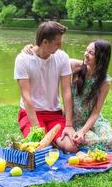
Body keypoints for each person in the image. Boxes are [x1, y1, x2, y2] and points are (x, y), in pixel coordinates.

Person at [14, 21, 78, 152]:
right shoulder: (22, 59)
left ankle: (55, 142)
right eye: (58, 43)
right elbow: (26, 97)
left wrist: (69, 124)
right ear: (45, 42)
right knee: (41, 150)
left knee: (72, 147)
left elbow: (66, 91)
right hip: (31, 114)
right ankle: (51, 143)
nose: (61, 45)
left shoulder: (62, 57)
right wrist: (37, 129)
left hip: (54, 114)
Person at [70, 39, 112, 150]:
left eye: (91, 53)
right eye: (86, 50)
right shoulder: (75, 67)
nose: (86, 54)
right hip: (77, 120)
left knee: (111, 142)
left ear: (101, 58)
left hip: (93, 120)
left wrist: (83, 131)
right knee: (94, 142)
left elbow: (96, 112)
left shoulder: (105, 81)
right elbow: (53, 58)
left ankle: (86, 136)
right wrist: (30, 48)